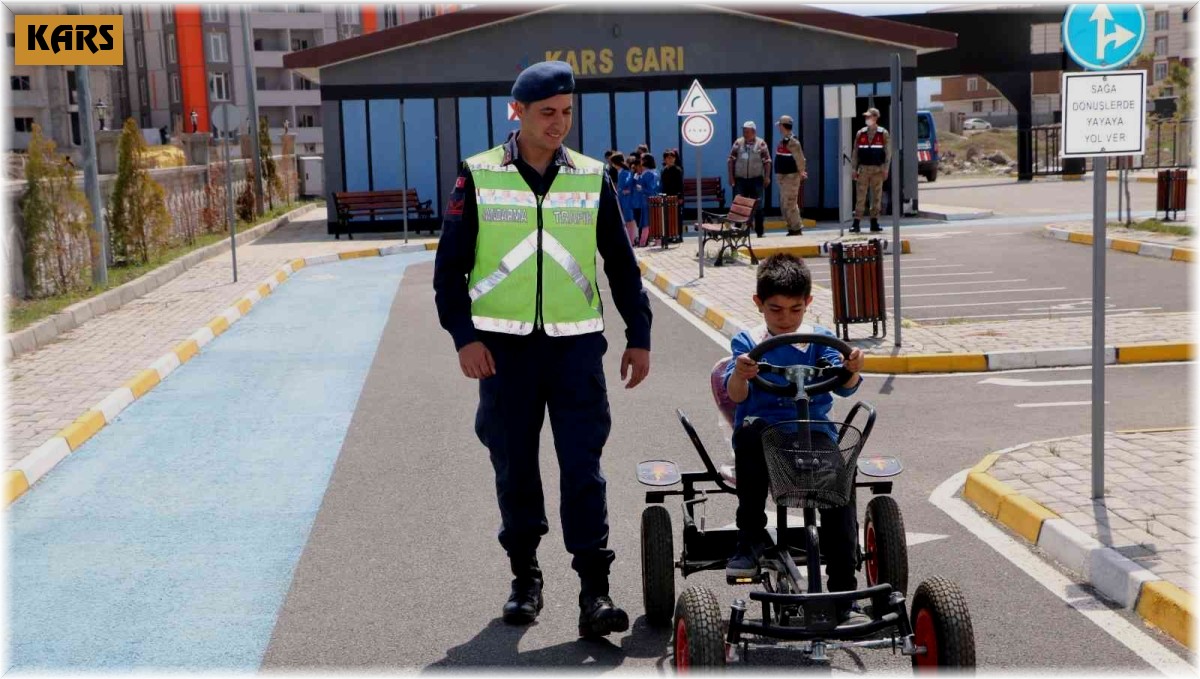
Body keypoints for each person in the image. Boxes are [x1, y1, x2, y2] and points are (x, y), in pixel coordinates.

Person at [432, 60, 653, 639]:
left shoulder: (592, 176)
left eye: (567, 113)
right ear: (518, 112)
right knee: (515, 469)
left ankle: (594, 591)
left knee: (584, 469)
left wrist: (639, 335)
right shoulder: (479, 175)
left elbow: (621, 264)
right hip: (503, 355)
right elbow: (449, 269)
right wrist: (464, 337)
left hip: (575, 350)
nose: (559, 124)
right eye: (547, 112)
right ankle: (525, 577)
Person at [722, 254, 867, 623]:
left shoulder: (822, 341)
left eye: (795, 309)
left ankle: (844, 591)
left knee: (840, 477)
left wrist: (851, 368)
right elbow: (736, 395)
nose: (785, 318)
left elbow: (846, 386)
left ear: (808, 303)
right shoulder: (747, 341)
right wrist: (741, 373)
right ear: (759, 304)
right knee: (750, 436)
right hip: (765, 431)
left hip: (814, 432)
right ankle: (750, 538)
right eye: (776, 310)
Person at [727, 121, 771, 238]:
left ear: (754, 132)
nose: (745, 133)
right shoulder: (738, 143)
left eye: (747, 131)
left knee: (758, 205)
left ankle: (760, 231)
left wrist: (767, 177)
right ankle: (738, 230)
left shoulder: (761, 144)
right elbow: (730, 160)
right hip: (740, 179)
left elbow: (767, 161)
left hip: (756, 179)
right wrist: (731, 177)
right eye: (744, 131)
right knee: (739, 205)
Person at [850, 107, 890, 233]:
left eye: (869, 116)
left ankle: (874, 222)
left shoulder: (883, 133)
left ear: (875, 118)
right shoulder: (860, 133)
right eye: (866, 117)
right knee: (860, 196)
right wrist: (853, 168)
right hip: (863, 169)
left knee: (876, 196)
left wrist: (886, 169)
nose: (867, 118)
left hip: (877, 170)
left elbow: (888, 153)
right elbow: (855, 153)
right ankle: (856, 223)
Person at [774, 115, 808, 237]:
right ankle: (791, 227)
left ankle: (796, 228)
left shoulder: (792, 142)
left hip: (791, 177)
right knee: (784, 204)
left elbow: (800, 159)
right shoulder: (784, 141)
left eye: (779, 125)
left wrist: (802, 172)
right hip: (783, 178)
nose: (778, 128)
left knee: (790, 203)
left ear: (783, 126)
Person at [660, 149, 684, 244]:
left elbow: (680, 184)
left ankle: (679, 235)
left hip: (675, 196)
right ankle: (670, 235)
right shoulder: (664, 170)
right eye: (668, 158)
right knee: (668, 217)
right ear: (665, 159)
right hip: (666, 196)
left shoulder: (677, 170)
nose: (670, 160)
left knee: (677, 217)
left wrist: (680, 197)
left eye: (672, 158)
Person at [636, 153, 659, 247]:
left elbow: (650, 189)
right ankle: (657, 241)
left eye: (642, 159)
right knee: (655, 221)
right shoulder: (655, 172)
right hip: (654, 199)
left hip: (647, 200)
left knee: (646, 222)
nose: (640, 161)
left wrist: (641, 189)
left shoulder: (647, 173)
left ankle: (643, 242)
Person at [618, 154, 639, 244]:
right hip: (630, 200)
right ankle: (632, 239)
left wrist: (627, 190)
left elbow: (632, 185)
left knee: (631, 221)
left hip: (632, 200)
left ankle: (632, 240)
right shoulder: (630, 173)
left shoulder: (634, 174)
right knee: (630, 221)